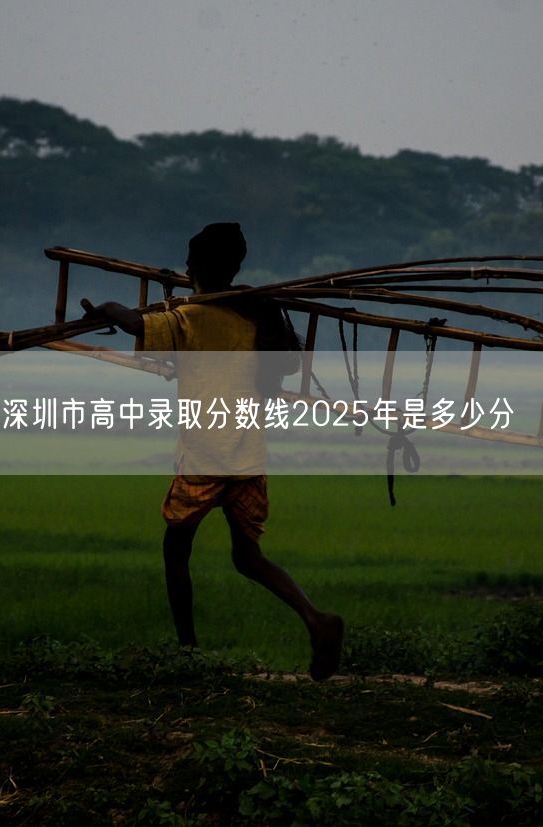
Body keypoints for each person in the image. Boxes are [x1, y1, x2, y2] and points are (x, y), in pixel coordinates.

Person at [80, 222, 345, 681]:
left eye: (189, 263)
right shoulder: (253, 317)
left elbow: (136, 323)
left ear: (199, 268)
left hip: (206, 455)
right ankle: (316, 620)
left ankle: (188, 652)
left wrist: (105, 308)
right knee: (248, 557)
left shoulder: (192, 317)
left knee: (175, 551)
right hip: (246, 455)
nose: (185, 269)